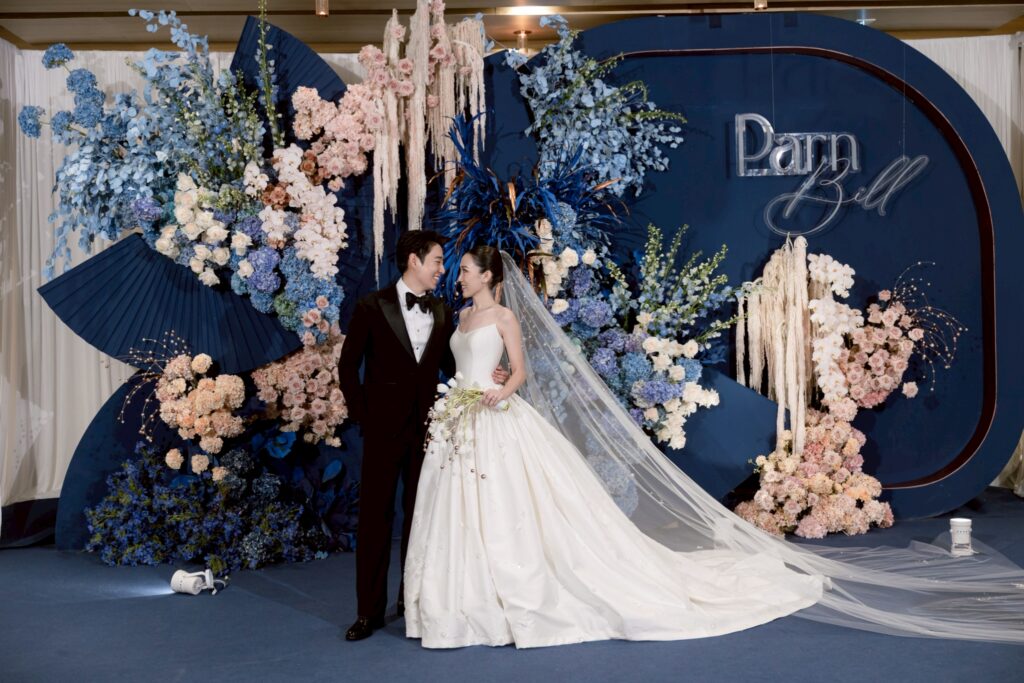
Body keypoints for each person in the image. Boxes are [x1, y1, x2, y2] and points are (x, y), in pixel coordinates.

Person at [403, 245, 1024, 649]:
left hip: (495, 416)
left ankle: (512, 591)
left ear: (490, 276)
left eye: (467, 269)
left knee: (518, 508)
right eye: (457, 269)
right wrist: (464, 398)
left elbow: (520, 372)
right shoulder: (459, 319)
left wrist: (498, 392)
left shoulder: (504, 317)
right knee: (466, 509)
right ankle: (466, 595)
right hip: (461, 423)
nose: (459, 274)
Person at [338, 232, 507, 642]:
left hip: (432, 432)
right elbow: (347, 367)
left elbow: (456, 365)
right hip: (382, 431)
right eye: (436, 261)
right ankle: (367, 612)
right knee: (375, 521)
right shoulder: (371, 305)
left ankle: (410, 600)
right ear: (414, 260)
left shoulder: (444, 312)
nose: (442, 270)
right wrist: (364, 417)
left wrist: (493, 374)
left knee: (423, 518)